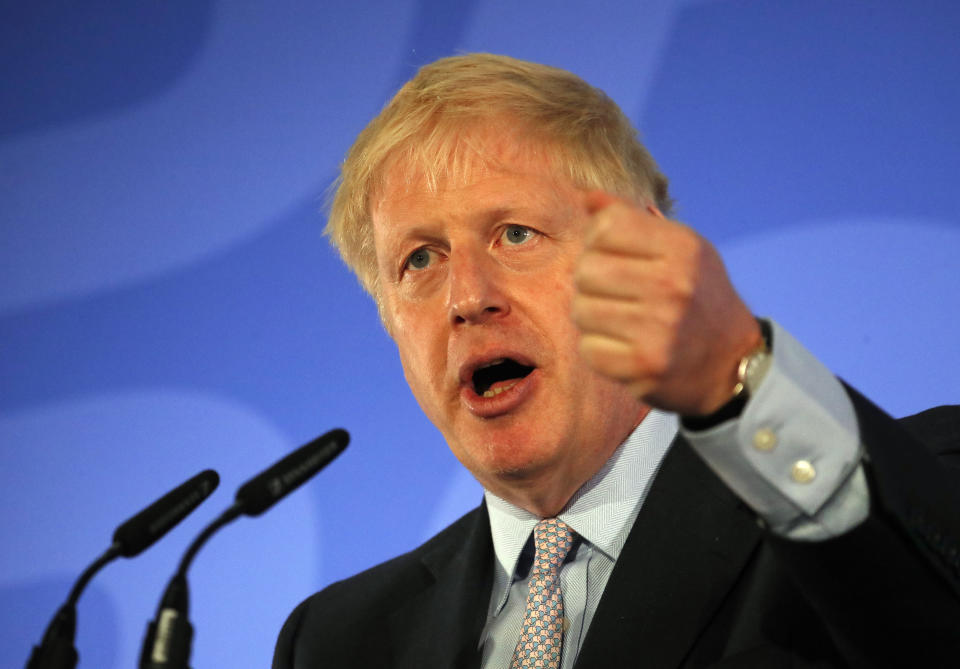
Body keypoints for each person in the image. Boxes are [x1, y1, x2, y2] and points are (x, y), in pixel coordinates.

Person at [273, 54, 960, 668]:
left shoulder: (877, 494)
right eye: (419, 258)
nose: (467, 297)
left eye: (515, 233)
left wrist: (739, 374)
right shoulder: (338, 641)